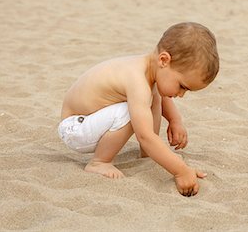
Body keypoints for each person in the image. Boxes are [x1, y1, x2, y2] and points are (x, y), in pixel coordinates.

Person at [58, 22, 219, 197]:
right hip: (74, 128)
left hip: (90, 123)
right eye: (182, 86)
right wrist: (181, 171)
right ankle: (99, 162)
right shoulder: (136, 80)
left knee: (153, 96)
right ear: (164, 60)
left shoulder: (150, 70)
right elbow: (145, 135)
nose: (181, 94)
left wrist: (175, 120)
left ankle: (146, 154)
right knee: (131, 110)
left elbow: (161, 96)